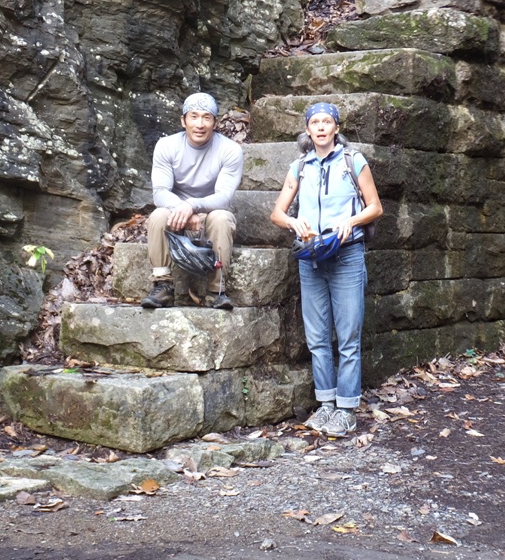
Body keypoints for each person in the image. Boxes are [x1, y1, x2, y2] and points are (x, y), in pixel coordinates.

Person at [270, 102, 383, 436]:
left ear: (336, 128)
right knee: (317, 336)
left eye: (326, 122)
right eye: (314, 122)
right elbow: (277, 213)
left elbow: (375, 207)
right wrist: (293, 221)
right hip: (312, 256)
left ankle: (347, 409)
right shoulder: (299, 166)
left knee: (347, 335)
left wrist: (351, 220)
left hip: (347, 254)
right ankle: (326, 405)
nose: (320, 127)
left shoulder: (353, 160)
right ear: (307, 130)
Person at [141, 92, 244, 310]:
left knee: (222, 218)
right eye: (194, 117)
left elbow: (224, 197)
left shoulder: (230, 150)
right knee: (158, 215)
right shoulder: (166, 146)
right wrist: (183, 208)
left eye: (207, 117)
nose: (200, 124)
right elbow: (160, 192)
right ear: (183, 121)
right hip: (176, 213)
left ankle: (216, 290)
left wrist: (193, 205)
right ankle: (162, 284)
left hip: (208, 214)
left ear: (215, 122)